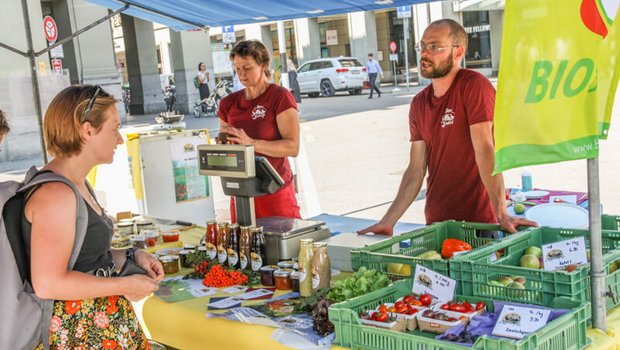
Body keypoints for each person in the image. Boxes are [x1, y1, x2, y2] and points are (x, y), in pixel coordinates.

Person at [359, 19, 536, 236]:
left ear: (458, 52)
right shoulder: (419, 103)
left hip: (478, 222)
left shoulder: (474, 85)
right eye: (422, 46)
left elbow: (484, 149)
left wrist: (501, 212)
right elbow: (416, 169)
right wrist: (388, 221)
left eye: (434, 47)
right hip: (436, 223)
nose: (424, 53)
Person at [28, 85, 163, 348]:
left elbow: (81, 258)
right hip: (79, 334)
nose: (120, 139)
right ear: (87, 130)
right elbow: (48, 282)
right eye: (114, 128)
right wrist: (123, 285)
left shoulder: (75, 184)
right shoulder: (56, 194)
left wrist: (131, 257)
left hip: (96, 327)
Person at [217, 40, 301, 221]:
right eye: (237, 68)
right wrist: (224, 145)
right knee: (242, 247)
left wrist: (251, 143)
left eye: (247, 68)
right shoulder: (228, 104)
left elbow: (292, 147)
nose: (241, 74)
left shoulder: (279, 96)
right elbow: (226, 144)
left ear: (263, 65)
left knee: (282, 246)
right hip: (241, 191)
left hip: (274, 191)